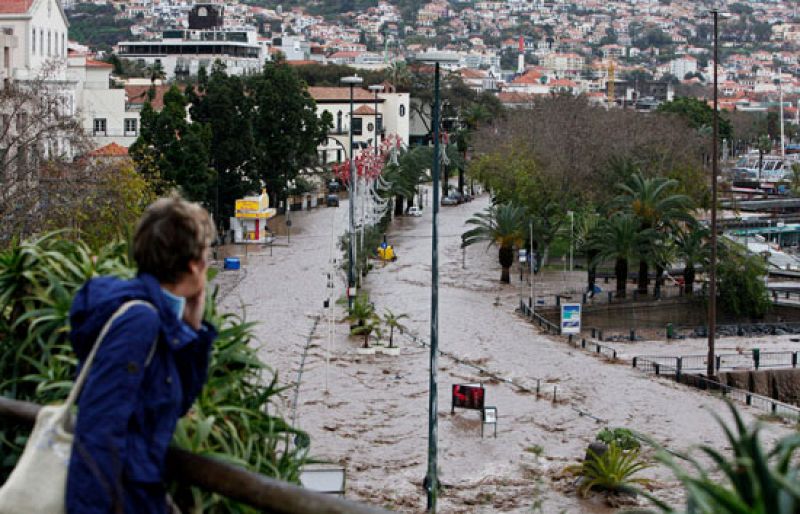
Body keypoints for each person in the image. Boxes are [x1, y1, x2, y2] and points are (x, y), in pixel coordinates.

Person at [66, 195, 218, 514]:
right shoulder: (140, 321)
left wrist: (192, 326)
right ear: (194, 264)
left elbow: (176, 404)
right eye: (208, 253)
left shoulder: (160, 318)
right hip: (123, 500)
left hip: (137, 495)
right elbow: (98, 430)